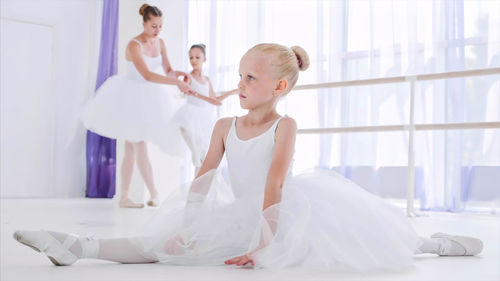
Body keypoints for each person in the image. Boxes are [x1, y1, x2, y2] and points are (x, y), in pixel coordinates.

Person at [14, 43, 483, 270]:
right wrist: (186, 225)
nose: (239, 85)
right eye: (238, 75)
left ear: (279, 87)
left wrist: (265, 245)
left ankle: (435, 242)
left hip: (284, 213)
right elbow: (202, 179)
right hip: (238, 212)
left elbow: (275, 186)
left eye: (250, 78)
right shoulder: (224, 126)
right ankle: (76, 246)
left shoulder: (285, 126)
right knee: (165, 247)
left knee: (372, 242)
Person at [81, 4, 211, 208]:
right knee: (136, 145)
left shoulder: (160, 43)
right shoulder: (134, 45)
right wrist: (177, 83)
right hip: (131, 95)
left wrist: (179, 75)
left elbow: (167, 70)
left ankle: (133, 196)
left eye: (160, 26)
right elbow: (147, 75)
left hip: (149, 96)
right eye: (153, 26)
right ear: (144, 23)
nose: (157, 30)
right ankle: (147, 194)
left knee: (135, 147)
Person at [173, 44, 238, 174]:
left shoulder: (207, 79)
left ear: (204, 59)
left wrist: (232, 92)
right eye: (191, 58)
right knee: (184, 127)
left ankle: (199, 188)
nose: (194, 60)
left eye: (197, 57)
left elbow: (215, 101)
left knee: (204, 155)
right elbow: (184, 88)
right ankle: (194, 153)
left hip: (205, 118)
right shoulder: (188, 77)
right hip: (191, 113)